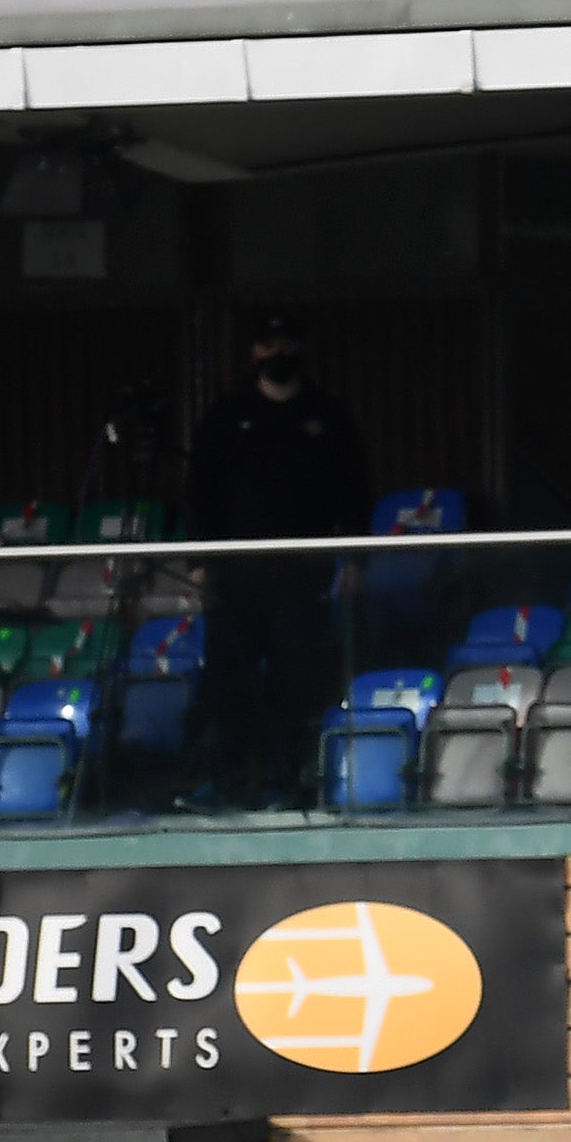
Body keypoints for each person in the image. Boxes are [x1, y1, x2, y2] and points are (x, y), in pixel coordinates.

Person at [185, 313, 372, 809]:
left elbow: (356, 493)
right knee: (229, 680)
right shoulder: (225, 418)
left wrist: (356, 558)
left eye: (286, 342)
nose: (278, 353)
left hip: (302, 575)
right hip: (236, 576)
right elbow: (200, 492)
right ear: (255, 353)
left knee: (298, 681)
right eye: (269, 345)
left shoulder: (327, 416)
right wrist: (199, 561)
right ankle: (225, 783)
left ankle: (288, 782)